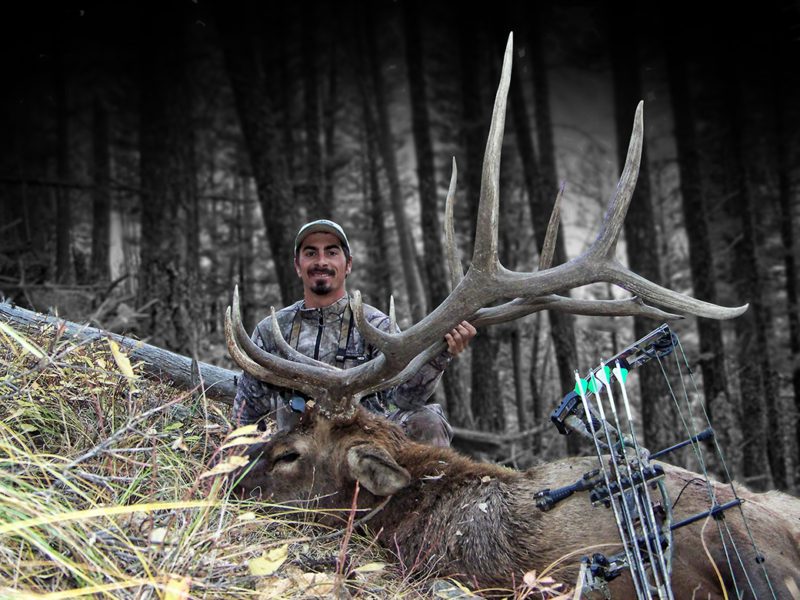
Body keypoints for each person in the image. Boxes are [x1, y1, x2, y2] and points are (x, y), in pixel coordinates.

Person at [233, 219, 476, 447]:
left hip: (363, 449)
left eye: (331, 252)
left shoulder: (377, 327)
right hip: (300, 457)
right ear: (298, 266)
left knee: (427, 421)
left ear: (347, 264)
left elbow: (406, 400)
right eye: (310, 253)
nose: (321, 262)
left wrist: (438, 355)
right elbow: (246, 415)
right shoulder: (272, 331)